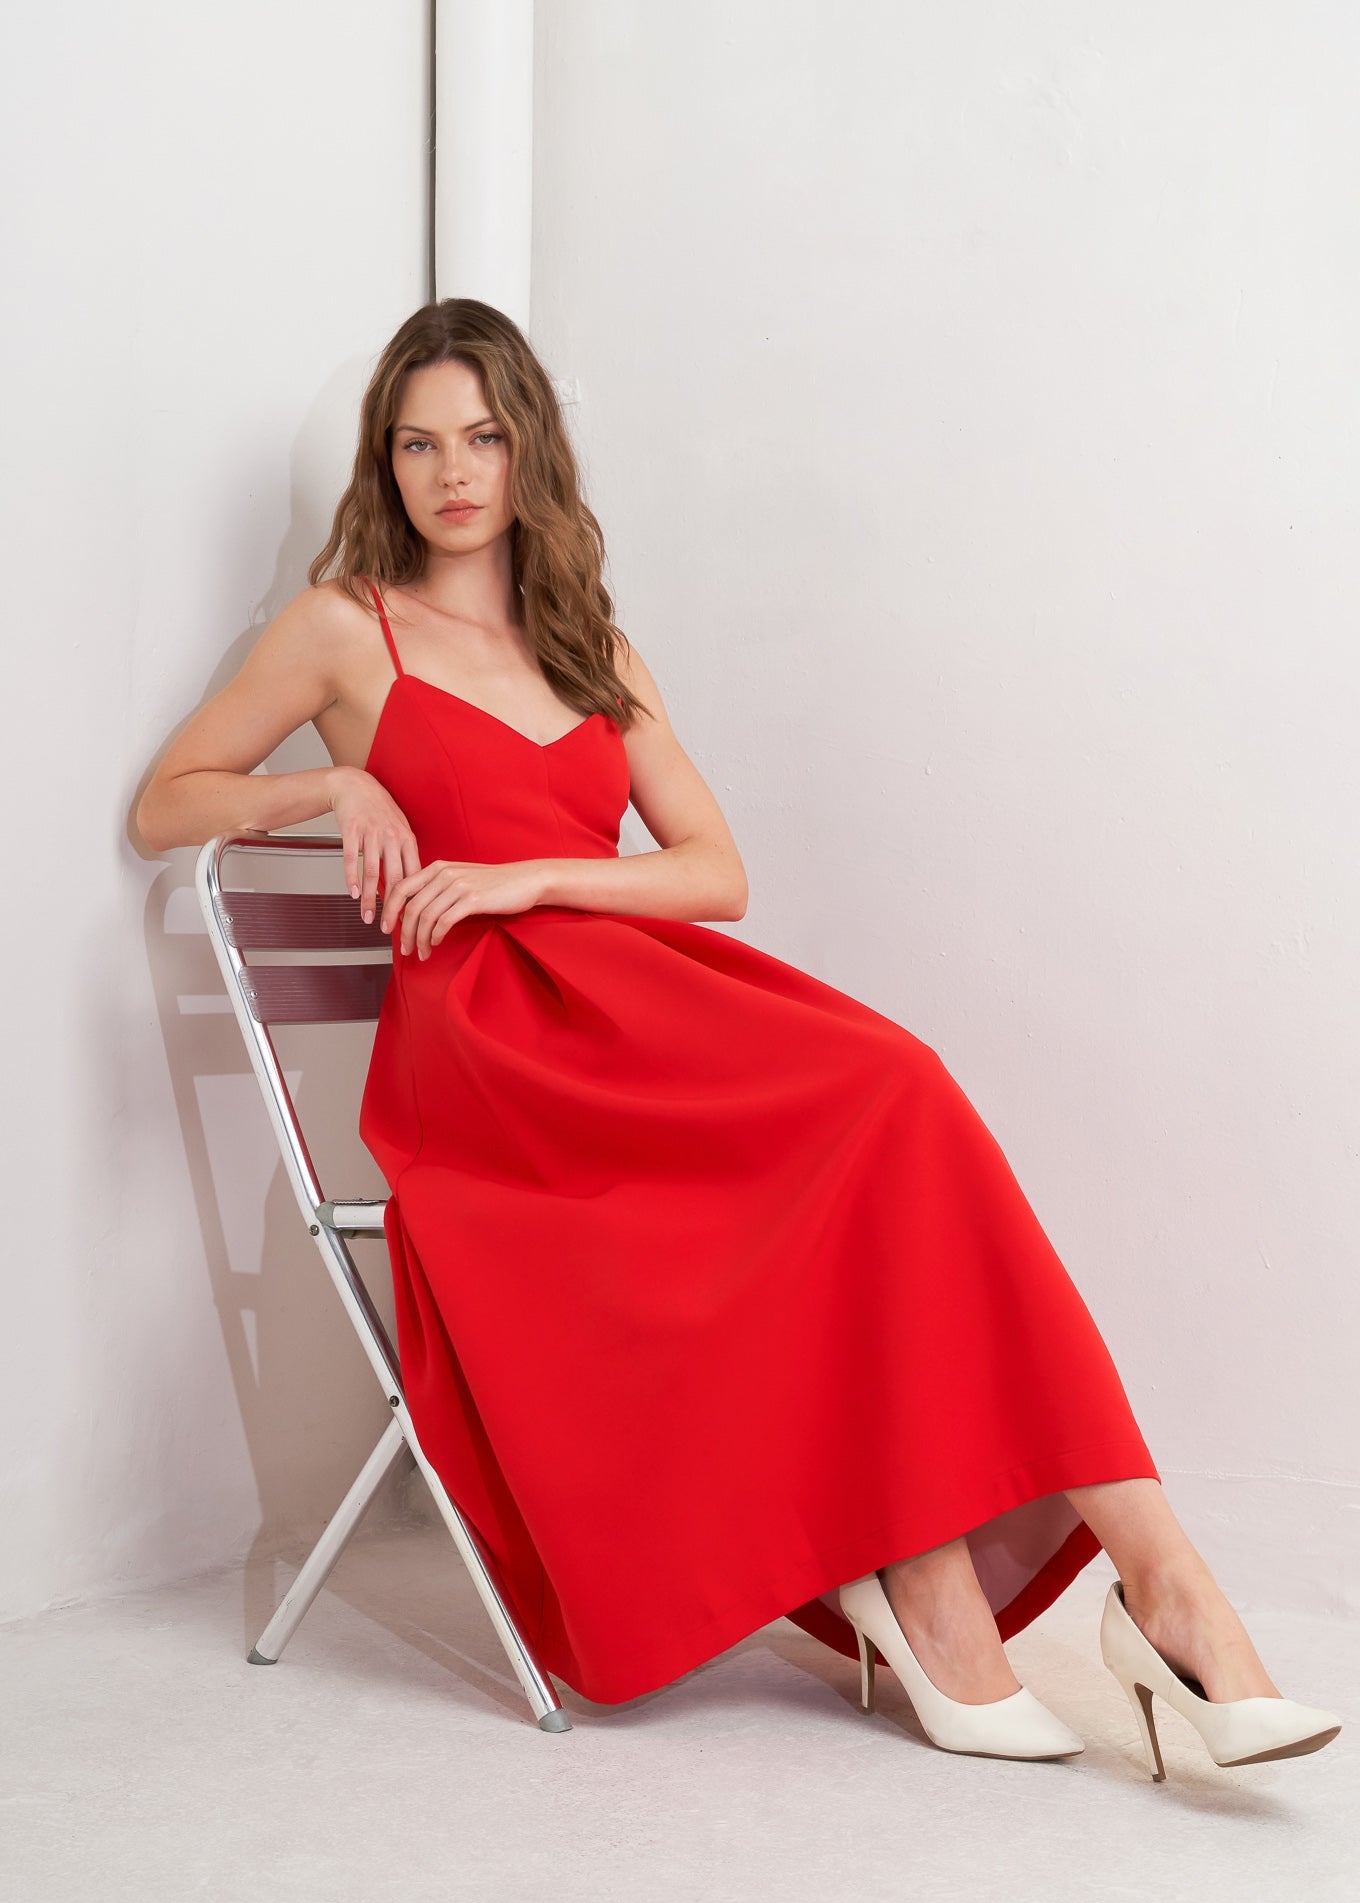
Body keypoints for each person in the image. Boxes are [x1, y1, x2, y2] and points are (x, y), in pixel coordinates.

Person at [137, 298, 1340, 1772]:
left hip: (638, 1008)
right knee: (875, 1115)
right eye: (418, 444)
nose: (453, 472)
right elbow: (167, 801)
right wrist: (335, 793)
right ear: (387, 468)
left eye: (485, 436)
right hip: (497, 1059)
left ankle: (1139, 1586)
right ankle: (1026, 1602)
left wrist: (530, 871)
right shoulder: (343, 631)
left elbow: (714, 872)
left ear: (532, 452)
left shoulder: (590, 645)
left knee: (896, 1099)